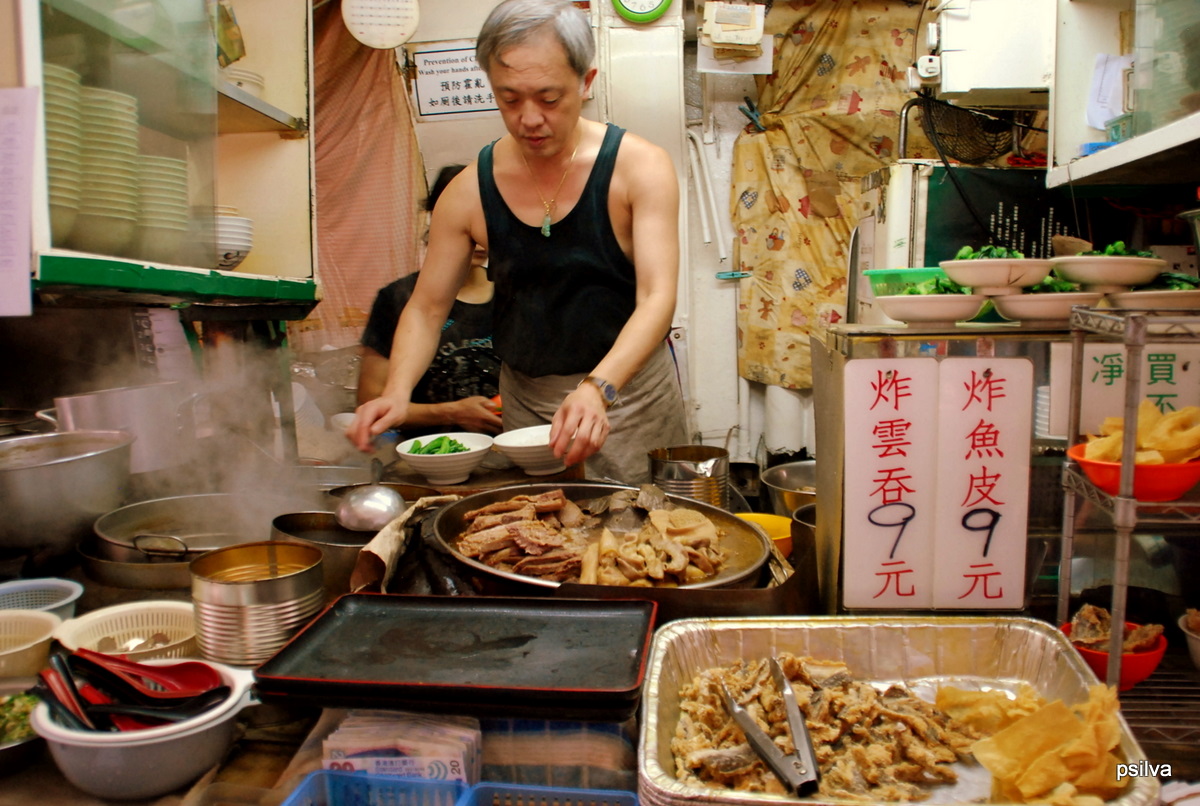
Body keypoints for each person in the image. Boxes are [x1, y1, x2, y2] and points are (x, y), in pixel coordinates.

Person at [348, 0, 688, 484]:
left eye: (549, 99)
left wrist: (598, 388)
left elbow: (657, 297)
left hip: (628, 396)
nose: (529, 118)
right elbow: (426, 308)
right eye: (510, 99)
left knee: (643, 537)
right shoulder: (468, 191)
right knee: (539, 538)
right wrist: (398, 391)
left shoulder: (639, 168)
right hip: (527, 404)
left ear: (586, 83)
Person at [357, 165, 502, 437]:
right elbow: (371, 401)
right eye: (467, 219)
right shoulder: (399, 299)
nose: (480, 234)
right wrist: (451, 412)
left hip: (512, 453)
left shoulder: (513, 292)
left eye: (489, 218)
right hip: (427, 459)